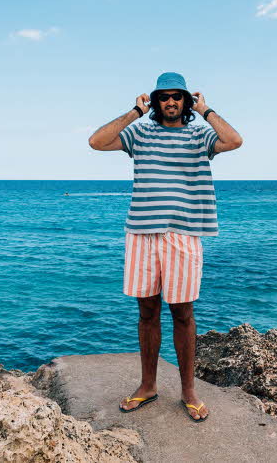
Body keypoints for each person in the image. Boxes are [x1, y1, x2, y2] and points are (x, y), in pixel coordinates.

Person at [88, 72, 243, 422]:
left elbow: (234, 141)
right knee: (147, 311)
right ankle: (148, 386)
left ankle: (188, 390)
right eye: (164, 96)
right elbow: (97, 142)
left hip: (184, 233)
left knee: (183, 313)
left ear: (186, 101)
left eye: (177, 96)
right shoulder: (141, 132)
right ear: (156, 101)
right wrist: (133, 111)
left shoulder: (199, 133)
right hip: (142, 232)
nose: (170, 102)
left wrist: (207, 110)